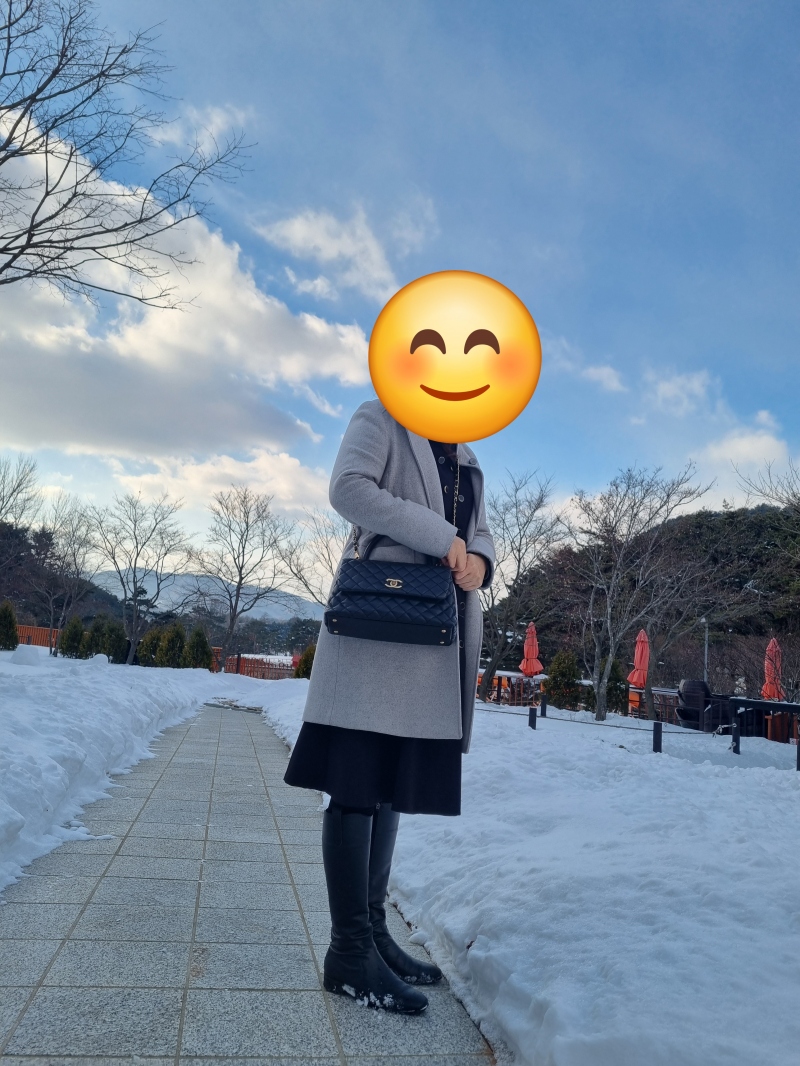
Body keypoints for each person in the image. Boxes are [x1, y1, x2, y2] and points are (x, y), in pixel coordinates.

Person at [285, 398, 495, 1014]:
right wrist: (442, 537)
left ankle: (373, 934)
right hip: (377, 629)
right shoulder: (382, 416)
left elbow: (478, 528)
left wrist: (479, 560)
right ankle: (348, 952)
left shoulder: (464, 451)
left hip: (429, 638)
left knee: (387, 788)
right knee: (355, 785)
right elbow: (348, 489)